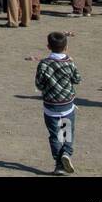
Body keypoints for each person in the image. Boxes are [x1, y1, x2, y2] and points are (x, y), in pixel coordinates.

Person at [34, 31, 83, 175]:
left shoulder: (43, 64)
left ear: (48, 46)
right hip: (67, 105)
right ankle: (66, 152)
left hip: (50, 106)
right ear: (66, 47)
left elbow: (39, 84)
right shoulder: (69, 63)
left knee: (54, 135)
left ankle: (59, 163)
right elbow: (77, 79)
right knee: (66, 132)